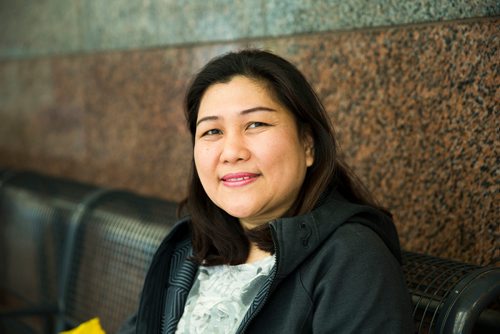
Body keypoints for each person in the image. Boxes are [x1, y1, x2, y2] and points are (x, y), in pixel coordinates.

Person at [119, 49, 414, 333]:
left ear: (308, 144)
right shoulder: (192, 247)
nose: (231, 152)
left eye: (256, 124)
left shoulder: (351, 259)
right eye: (212, 131)